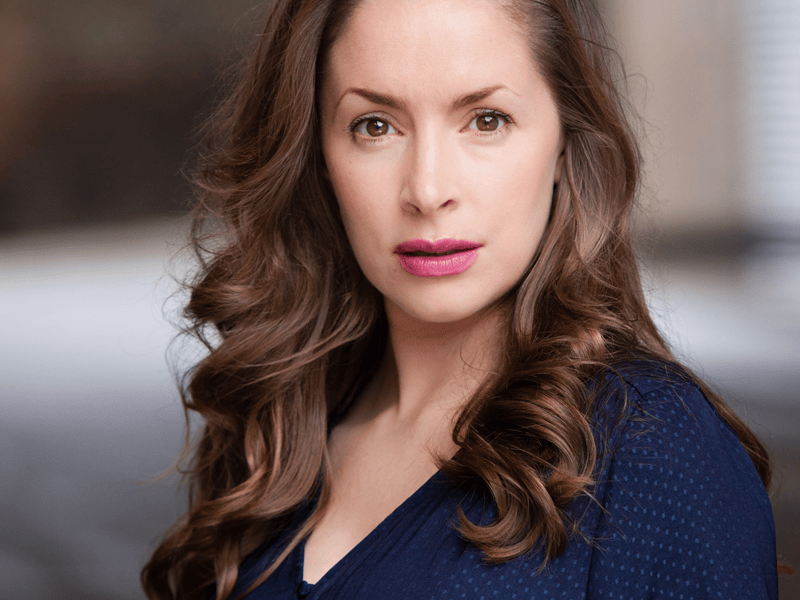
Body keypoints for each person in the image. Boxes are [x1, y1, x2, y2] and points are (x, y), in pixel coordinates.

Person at [141, 0, 780, 598]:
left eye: (486, 120)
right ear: (319, 158)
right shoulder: (277, 430)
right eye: (375, 126)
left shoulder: (652, 444)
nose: (427, 189)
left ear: (564, 142)